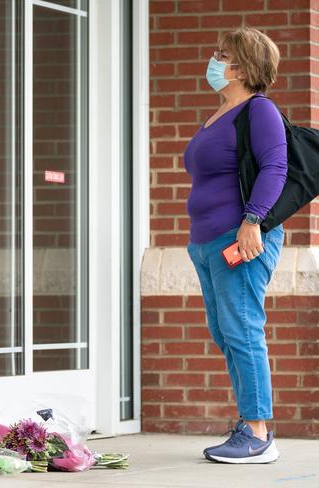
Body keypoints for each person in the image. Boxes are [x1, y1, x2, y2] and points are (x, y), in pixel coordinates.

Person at [184, 26, 287, 464]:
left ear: (242, 67)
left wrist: (253, 221)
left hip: (239, 238)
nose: (213, 60)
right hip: (208, 243)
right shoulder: (218, 115)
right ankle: (249, 422)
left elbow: (275, 167)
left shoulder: (258, 111)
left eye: (221, 55)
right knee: (227, 333)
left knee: (243, 331)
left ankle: (258, 434)